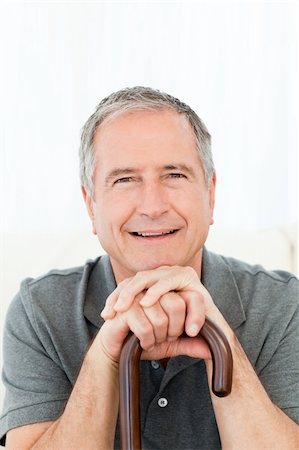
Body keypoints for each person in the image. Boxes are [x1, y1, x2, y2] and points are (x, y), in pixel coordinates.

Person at [1, 86, 298, 449]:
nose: (153, 206)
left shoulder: (285, 304)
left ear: (210, 195)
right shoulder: (40, 310)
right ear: (91, 206)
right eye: (125, 179)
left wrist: (223, 344)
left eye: (174, 175)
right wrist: (105, 357)